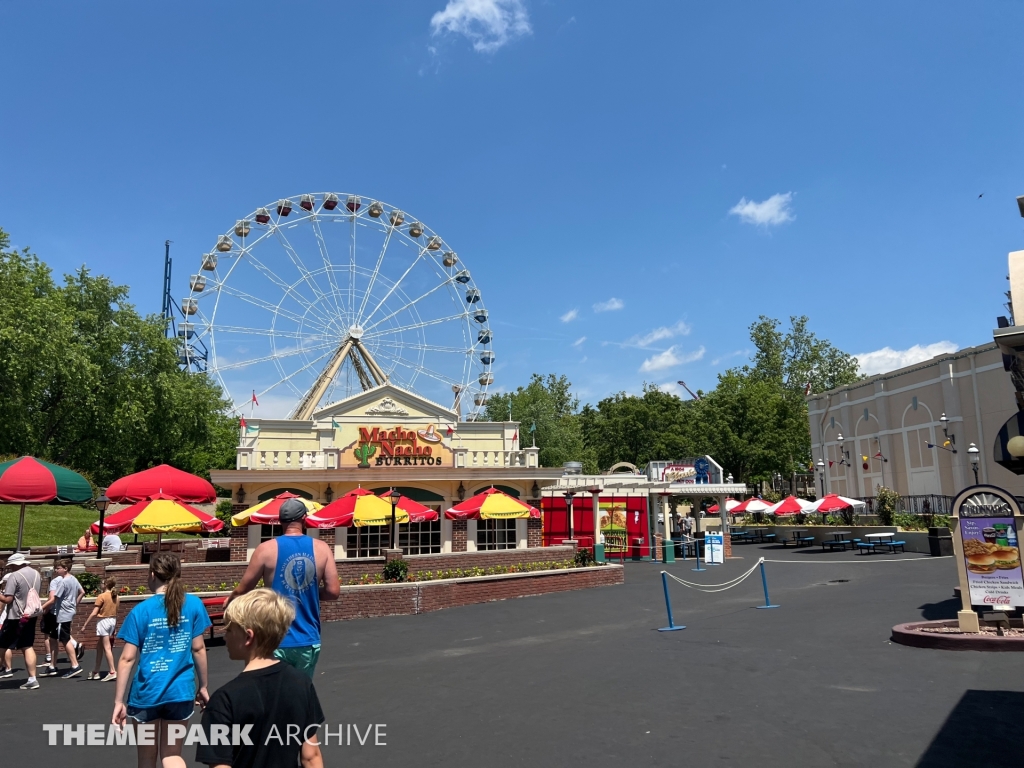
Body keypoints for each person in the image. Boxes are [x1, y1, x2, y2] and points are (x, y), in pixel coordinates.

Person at [196, 589, 325, 768]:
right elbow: (311, 757)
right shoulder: (302, 684)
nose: (225, 637)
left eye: (230, 630)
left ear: (248, 637)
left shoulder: (224, 700)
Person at [111, 553, 210, 768]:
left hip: (147, 692)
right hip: (180, 692)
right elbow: (198, 648)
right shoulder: (194, 604)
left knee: (147, 758)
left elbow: (127, 658)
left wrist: (119, 701)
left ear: (152, 574)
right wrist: (203, 686)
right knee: (172, 754)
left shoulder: (141, 611)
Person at [228, 497, 340, 677]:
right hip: (307, 639)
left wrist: (229, 602)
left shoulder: (265, 549)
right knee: (300, 690)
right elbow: (333, 592)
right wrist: (307, 591)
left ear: (280, 520)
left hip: (272, 638)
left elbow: (243, 590)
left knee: (271, 690)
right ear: (304, 518)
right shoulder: (322, 548)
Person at [0, 553, 42, 689]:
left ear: (16, 564)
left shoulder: (15, 576)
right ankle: (32, 679)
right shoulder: (36, 574)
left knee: (2, 644)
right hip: (30, 614)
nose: (11, 568)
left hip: (15, 616)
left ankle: (6, 669)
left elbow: (8, 599)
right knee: (27, 646)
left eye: (12, 565)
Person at [39, 558, 84, 678]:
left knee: (65, 639)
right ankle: (52, 666)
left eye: (58, 568)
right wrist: (74, 604)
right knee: (53, 639)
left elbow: (53, 599)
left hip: (63, 614)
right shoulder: (73, 579)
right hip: (66, 613)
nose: (56, 570)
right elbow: (82, 592)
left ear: (65, 569)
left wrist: (39, 608)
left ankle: (75, 665)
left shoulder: (64, 582)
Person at [82, 576, 119, 681]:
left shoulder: (101, 596)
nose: (100, 585)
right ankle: (96, 671)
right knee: (99, 647)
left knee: (107, 647)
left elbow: (94, 612)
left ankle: (112, 671)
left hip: (103, 621)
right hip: (112, 621)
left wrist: (85, 625)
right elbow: (116, 611)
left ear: (106, 584)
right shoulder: (116, 596)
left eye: (102, 583)